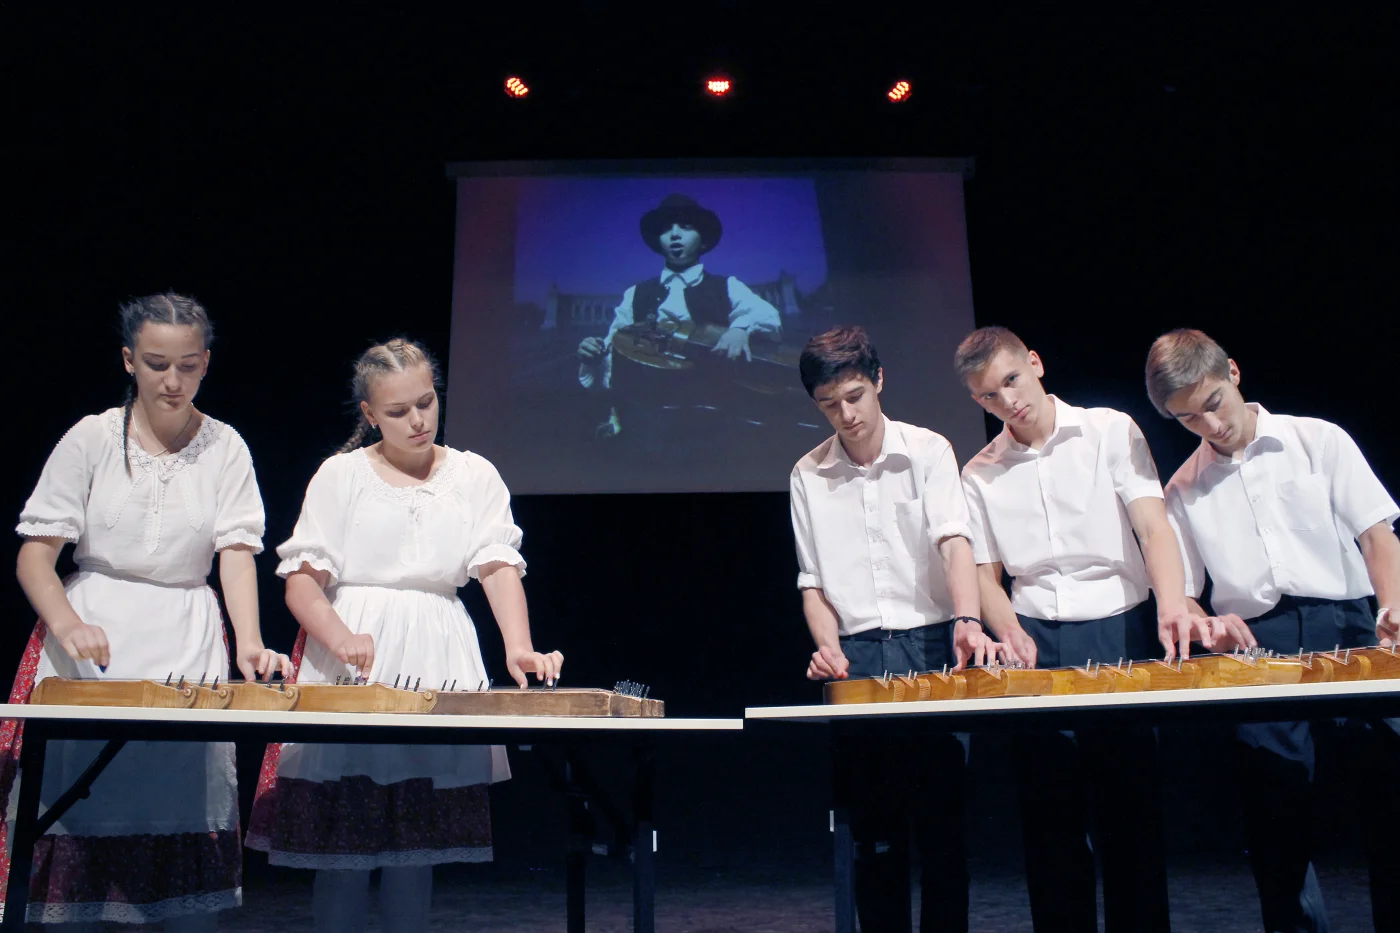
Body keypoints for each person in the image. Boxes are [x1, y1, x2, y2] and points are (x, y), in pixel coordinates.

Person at [246, 338, 563, 933]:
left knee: (416, 852)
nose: (418, 420)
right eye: (398, 411)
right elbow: (302, 583)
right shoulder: (342, 475)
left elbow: (498, 566)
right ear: (370, 414)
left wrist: (518, 646)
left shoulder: (473, 474)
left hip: (436, 654)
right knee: (343, 848)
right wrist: (339, 635)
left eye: (426, 402)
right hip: (355, 664)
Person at [2, 293, 290, 929]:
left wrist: (249, 639)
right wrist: (67, 623)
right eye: (157, 364)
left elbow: (236, 555)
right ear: (130, 360)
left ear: (205, 362)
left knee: (175, 801)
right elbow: (34, 557)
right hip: (92, 636)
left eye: (187, 366)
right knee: (77, 806)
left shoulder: (225, 446)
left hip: (184, 635)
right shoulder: (91, 437)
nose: (172, 380)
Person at [955, 326, 1212, 933]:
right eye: (989, 396)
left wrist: (1172, 604)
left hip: (1119, 628)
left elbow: (1153, 528)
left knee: (1131, 813)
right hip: (1035, 640)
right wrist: (1007, 628)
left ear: (1035, 363)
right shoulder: (979, 473)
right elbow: (985, 574)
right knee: (1050, 821)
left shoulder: (1110, 430)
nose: (1007, 401)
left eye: (1012, 380)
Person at [1146, 327, 1400, 933]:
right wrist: (1206, 625)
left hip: (1350, 627)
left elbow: (1377, 535)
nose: (1210, 425)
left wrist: (1393, 606)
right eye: (1188, 419)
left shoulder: (1317, 439)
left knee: (1391, 793)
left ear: (1233, 372)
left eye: (1213, 404)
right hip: (1257, 646)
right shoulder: (1182, 487)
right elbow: (1184, 593)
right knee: (1276, 817)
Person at [789, 326, 997, 933]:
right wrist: (827, 649)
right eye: (830, 404)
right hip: (857, 656)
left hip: (933, 643)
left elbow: (955, 542)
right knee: (872, 835)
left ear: (879, 381)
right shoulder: (808, 473)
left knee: (943, 831)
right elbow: (813, 583)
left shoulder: (928, 451)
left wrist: (968, 618)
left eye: (855, 396)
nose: (846, 414)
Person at [576, 193, 784, 440]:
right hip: (646, 428)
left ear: (702, 240)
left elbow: (768, 317)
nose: (675, 234)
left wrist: (740, 329)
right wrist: (593, 358)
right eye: (667, 229)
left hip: (715, 426)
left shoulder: (726, 286)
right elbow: (613, 360)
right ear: (659, 240)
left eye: (685, 227)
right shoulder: (635, 294)